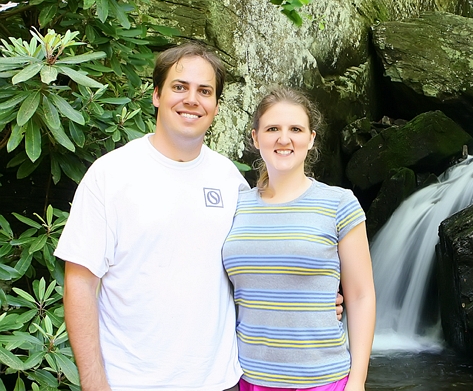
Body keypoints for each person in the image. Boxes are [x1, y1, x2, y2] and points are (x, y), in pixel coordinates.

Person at [55, 43, 249, 391]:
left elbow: (252, 268)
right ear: (157, 95)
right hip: (131, 381)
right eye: (180, 87)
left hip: (219, 381)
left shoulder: (229, 179)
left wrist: (317, 296)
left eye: (204, 91)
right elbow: (80, 283)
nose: (192, 99)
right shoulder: (111, 175)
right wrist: (93, 381)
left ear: (216, 106)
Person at [221, 87, 376, 391]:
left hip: (324, 379)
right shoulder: (235, 205)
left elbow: (360, 296)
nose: (284, 138)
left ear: (311, 138)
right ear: (255, 138)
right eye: (273, 129)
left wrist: (357, 381)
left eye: (295, 129)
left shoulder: (339, 203)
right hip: (252, 379)